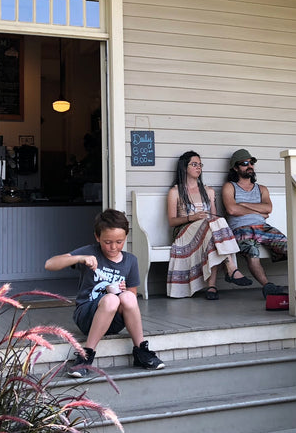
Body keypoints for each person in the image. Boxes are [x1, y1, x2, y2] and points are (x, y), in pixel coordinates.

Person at [45, 208, 164, 377]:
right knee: (110, 300)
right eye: (107, 242)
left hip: (114, 320)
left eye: (119, 241)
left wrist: (123, 291)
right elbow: (50, 264)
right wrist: (79, 258)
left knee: (128, 297)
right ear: (97, 237)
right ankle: (86, 355)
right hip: (87, 316)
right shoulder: (90, 252)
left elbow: (132, 297)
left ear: (126, 237)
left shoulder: (130, 261)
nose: (113, 247)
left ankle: (141, 351)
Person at [166, 150, 253, 300]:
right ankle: (230, 268)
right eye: (194, 164)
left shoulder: (208, 191)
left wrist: (205, 220)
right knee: (211, 226)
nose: (198, 167)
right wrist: (191, 217)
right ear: (184, 167)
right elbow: (172, 221)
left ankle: (211, 286)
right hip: (184, 232)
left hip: (207, 231)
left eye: (200, 164)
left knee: (213, 230)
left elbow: (214, 217)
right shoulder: (175, 191)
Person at [222, 148, 289, 298]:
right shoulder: (230, 187)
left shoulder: (262, 189)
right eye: (245, 163)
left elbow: (268, 208)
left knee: (289, 247)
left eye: (251, 162)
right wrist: (260, 212)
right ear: (235, 168)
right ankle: (267, 286)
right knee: (252, 250)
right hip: (241, 228)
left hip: (263, 228)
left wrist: (243, 204)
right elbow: (232, 210)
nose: (249, 166)